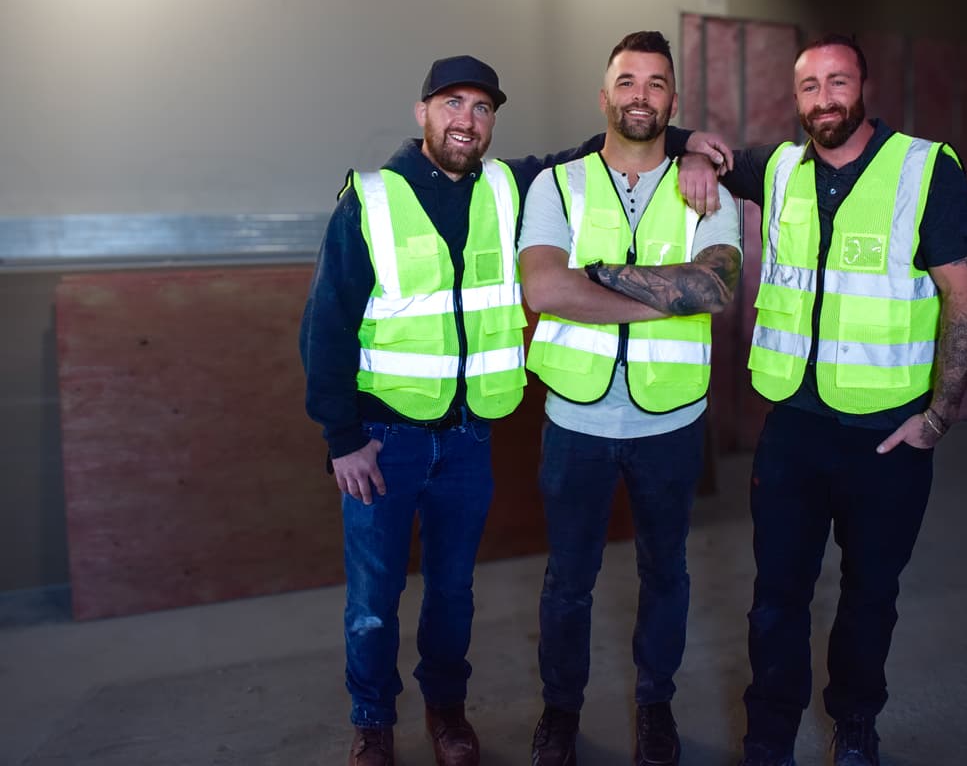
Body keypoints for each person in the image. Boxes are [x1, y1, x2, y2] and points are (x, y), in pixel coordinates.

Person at [300, 54, 722, 766]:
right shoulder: (371, 198)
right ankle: (372, 722)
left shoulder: (509, 185)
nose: (466, 121)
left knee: (453, 594)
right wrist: (343, 437)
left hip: (467, 438)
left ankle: (446, 713)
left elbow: (610, 142)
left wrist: (686, 145)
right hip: (382, 436)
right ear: (423, 111)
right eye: (452, 104)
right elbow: (328, 323)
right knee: (373, 600)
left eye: (482, 108)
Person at [681, 33, 967, 766]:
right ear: (797, 98)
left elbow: (965, 298)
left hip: (888, 435)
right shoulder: (780, 167)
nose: (824, 99)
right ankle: (768, 738)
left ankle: (854, 725)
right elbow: (705, 149)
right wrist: (695, 151)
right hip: (793, 427)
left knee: (868, 596)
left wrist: (939, 413)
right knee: (775, 598)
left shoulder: (924, 169)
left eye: (838, 81)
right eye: (810, 86)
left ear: (865, 88)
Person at [518, 31, 742, 766]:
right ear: (605, 94)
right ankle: (560, 711)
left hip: (671, 420)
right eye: (626, 80)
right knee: (568, 581)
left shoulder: (709, 186)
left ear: (673, 101)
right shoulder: (559, 184)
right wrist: (666, 296)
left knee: (666, 573)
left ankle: (655, 707)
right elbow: (545, 287)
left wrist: (601, 278)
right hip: (575, 418)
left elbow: (716, 288)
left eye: (655, 82)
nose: (639, 94)